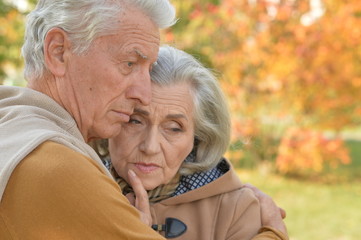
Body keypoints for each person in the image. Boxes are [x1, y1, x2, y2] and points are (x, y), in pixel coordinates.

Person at [0, 0, 176, 239]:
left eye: (149, 69)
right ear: (58, 52)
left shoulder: (10, 128)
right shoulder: (57, 166)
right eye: (129, 63)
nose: (144, 95)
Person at [93, 46, 288, 240]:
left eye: (174, 128)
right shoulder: (77, 187)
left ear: (197, 137)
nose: (150, 147)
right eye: (135, 121)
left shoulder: (235, 209)